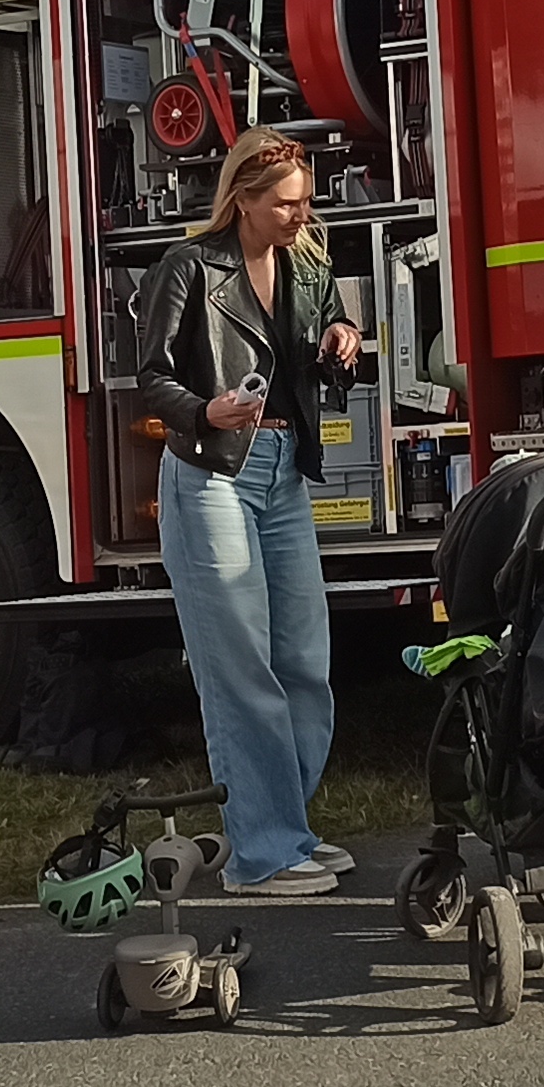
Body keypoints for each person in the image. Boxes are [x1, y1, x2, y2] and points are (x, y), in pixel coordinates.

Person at [128, 132, 364, 894]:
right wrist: (207, 410)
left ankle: (284, 828)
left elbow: (330, 339)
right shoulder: (188, 268)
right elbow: (151, 380)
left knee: (304, 663)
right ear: (243, 200)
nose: (301, 216)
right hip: (211, 474)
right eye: (286, 204)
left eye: (305, 202)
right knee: (241, 671)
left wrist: (343, 340)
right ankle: (262, 853)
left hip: (283, 470)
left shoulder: (309, 262)